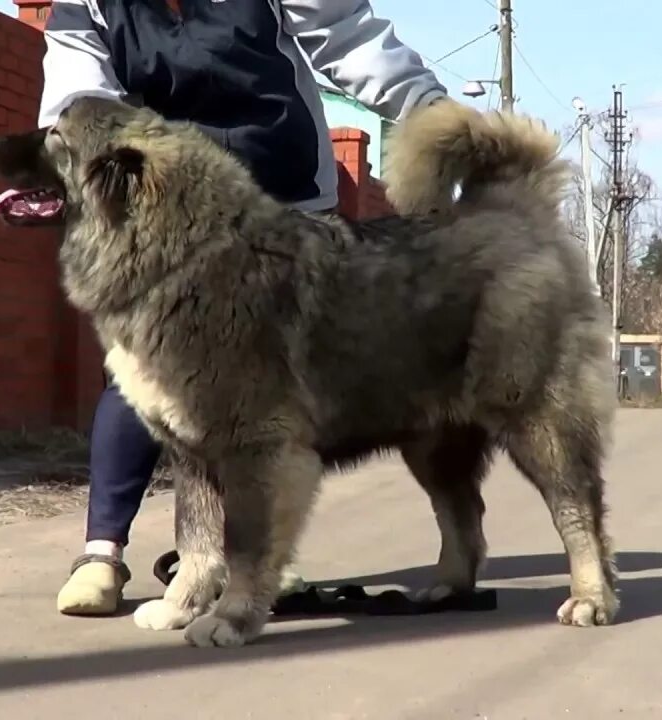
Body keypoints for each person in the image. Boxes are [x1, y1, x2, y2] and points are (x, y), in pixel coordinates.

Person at [30, 0, 451, 616]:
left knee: (267, 394)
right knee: (145, 369)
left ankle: (254, 555)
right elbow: (77, 101)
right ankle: (102, 554)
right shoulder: (86, 6)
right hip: (168, 202)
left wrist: (435, 117)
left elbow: (348, 38)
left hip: (279, 194)